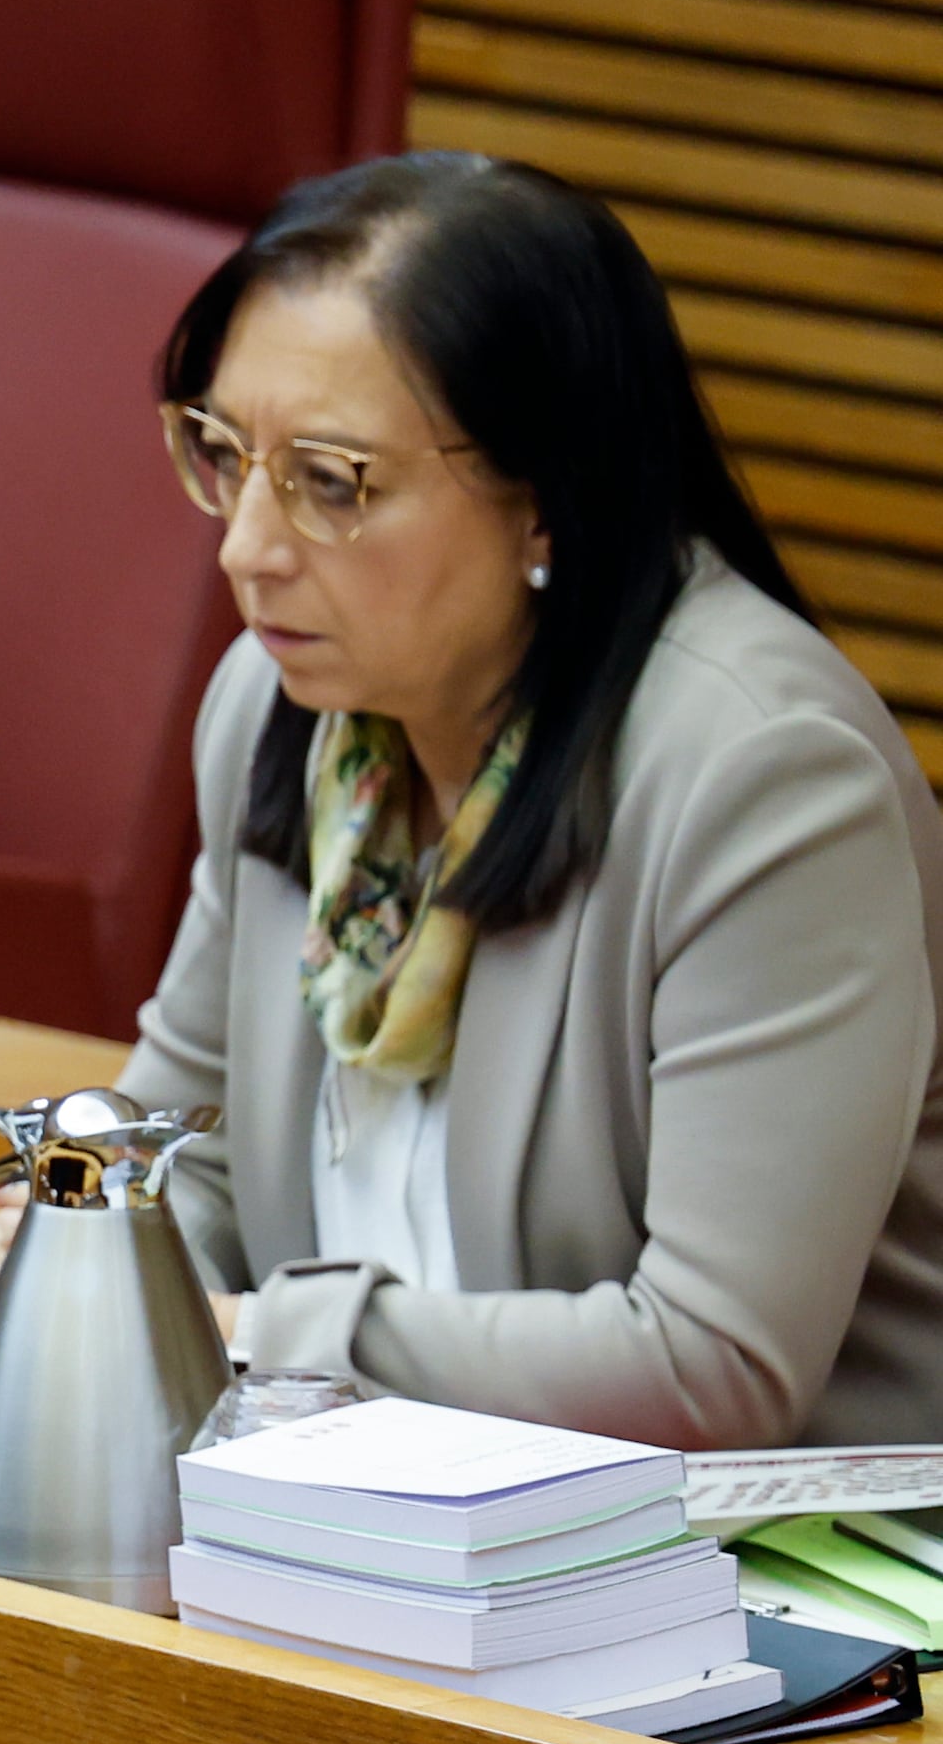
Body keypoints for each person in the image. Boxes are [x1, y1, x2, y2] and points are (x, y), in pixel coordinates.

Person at [103, 153, 943, 1447]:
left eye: (330, 481)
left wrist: (257, 1338)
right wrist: (70, 1244)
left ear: (544, 504)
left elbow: (713, 1368)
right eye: (222, 453)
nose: (245, 548)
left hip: (757, 1548)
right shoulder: (281, 709)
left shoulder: (765, 782)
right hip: (360, 1510)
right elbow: (189, 1155)